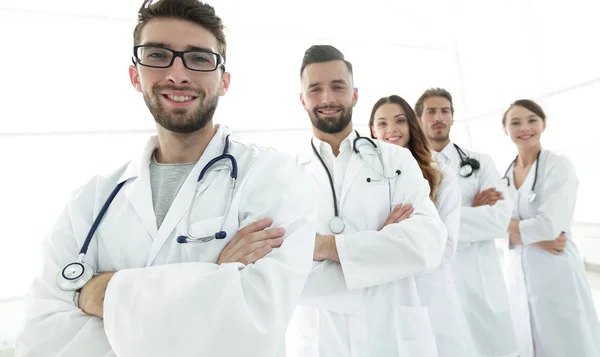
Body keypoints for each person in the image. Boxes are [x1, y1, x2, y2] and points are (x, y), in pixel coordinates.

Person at [15, 1, 317, 356]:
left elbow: (252, 324)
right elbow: (40, 338)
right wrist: (212, 282)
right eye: (158, 55)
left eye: (199, 58)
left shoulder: (272, 177)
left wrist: (99, 293)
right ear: (135, 75)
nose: (178, 74)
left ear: (224, 81)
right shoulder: (91, 201)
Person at [286, 45, 447, 357]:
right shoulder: (285, 172)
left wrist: (321, 247)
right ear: (302, 99)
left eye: (338, 87)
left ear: (355, 95)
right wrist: (382, 247)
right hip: (319, 341)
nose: (328, 99)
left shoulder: (395, 159)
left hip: (392, 334)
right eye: (315, 89)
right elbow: (282, 269)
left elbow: (428, 244)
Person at [369, 94, 477, 357]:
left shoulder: (439, 174)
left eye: (399, 121)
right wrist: (405, 238)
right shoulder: (365, 178)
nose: (391, 129)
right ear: (372, 131)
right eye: (382, 124)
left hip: (430, 291)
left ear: (412, 125)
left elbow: (445, 247)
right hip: (379, 293)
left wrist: (386, 239)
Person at [414, 88, 519, 356]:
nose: (439, 117)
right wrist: (471, 211)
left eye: (445, 111)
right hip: (433, 281)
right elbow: (411, 227)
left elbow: (497, 220)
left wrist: (436, 218)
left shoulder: (481, 162)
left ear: (452, 117)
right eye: (431, 112)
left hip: (478, 279)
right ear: (419, 118)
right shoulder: (412, 168)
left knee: (493, 347)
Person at [501, 99, 600, 357]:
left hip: (555, 272)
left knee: (566, 343)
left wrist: (508, 227)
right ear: (505, 129)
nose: (524, 127)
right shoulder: (503, 175)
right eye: (515, 122)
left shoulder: (558, 166)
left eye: (532, 120)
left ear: (543, 124)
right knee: (524, 341)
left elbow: (549, 226)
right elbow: (490, 223)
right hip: (517, 274)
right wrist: (535, 237)